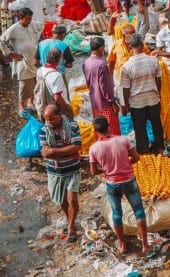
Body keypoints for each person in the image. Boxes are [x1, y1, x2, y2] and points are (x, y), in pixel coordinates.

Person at [89, 116, 152, 256]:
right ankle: (145, 245)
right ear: (109, 126)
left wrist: (106, 169)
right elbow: (137, 158)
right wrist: (126, 162)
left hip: (113, 184)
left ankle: (122, 245)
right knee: (139, 212)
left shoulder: (94, 148)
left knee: (117, 214)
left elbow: (93, 171)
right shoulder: (123, 140)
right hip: (129, 181)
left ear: (95, 130)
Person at [40, 105, 81, 243]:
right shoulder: (43, 130)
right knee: (61, 200)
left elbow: (76, 146)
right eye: (47, 119)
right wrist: (65, 151)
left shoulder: (72, 126)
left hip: (72, 169)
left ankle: (70, 228)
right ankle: (70, 219)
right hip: (55, 171)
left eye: (52, 119)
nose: (49, 122)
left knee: (72, 200)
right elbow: (45, 152)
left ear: (59, 115)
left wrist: (54, 152)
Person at [120, 34, 163, 154]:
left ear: (130, 46)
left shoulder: (127, 66)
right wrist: (157, 93)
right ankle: (159, 148)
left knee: (140, 127)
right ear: (142, 45)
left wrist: (126, 103)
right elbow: (159, 80)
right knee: (156, 124)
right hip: (153, 98)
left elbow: (126, 88)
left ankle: (144, 152)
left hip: (136, 101)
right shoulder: (153, 60)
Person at [1, 8, 41, 115]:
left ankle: (30, 102)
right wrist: (11, 53)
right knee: (24, 83)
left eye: (30, 18)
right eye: (27, 19)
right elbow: (1, 40)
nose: (29, 21)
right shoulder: (14, 29)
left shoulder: (32, 24)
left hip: (33, 58)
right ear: (21, 18)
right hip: (22, 60)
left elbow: (40, 25)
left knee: (33, 81)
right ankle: (21, 106)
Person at [83, 37, 121, 135]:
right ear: (101, 48)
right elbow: (105, 86)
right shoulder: (102, 64)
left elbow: (88, 82)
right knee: (110, 128)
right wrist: (112, 102)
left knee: (99, 128)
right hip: (105, 103)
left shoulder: (86, 62)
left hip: (95, 100)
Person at [35, 48, 72, 120]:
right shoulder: (56, 75)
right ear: (58, 59)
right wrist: (67, 108)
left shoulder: (40, 70)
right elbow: (57, 98)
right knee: (67, 123)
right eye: (61, 57)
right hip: (56, 106)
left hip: (44, 104)